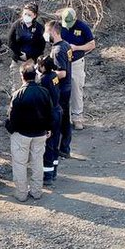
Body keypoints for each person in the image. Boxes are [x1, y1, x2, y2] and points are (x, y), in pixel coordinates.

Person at [4, 63, 53, 201]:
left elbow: (12, 117)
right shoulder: (44, 92)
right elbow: (50, 112)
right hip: (40, 134)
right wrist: (48, 128)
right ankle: (37, 191)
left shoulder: (17, 94)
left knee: (20, 164)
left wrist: (10, 129)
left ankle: (21, 193)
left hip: (21, 134)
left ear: (22, 76)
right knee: (37, 162)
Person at [58, 7, 96, 129]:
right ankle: (62, 117)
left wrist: (76, 47)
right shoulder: (59, 27)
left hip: (76, 62)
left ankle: (77, 117)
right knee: (60, 89)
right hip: (62, 62)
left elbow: (92, 44)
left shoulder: (82, 27)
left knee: (76, 89)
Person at [45, 20, 74, 157]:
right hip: (67, 87)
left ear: (53, 32)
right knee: (65, 118)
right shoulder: (66, 45)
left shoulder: (57, 50)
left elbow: (62, 73)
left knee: (59, 119)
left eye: (47, 32)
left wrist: (46, 74)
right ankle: (65, 148)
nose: (45, 35)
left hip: (61, 88)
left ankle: (58, 148)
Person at [37, 56, 64, 185]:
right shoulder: (54, 75)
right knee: (55, 143)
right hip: (58, 111)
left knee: (48, 145)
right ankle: (53, 172)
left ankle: (47, 175)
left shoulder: (44, 79)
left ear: (43, 66)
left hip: (50, 114)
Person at [8, 3, 45, 78]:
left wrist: (30, 56)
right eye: (25, 14)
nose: (26, 16)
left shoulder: (39, 28)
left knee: (31, 85)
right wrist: (20, 54)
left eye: (29, 15)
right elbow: (11, 42)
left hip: (32, 62)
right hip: (17, 61)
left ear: (34, 15)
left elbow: (41, 46)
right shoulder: (16, 25)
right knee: (16, 85)